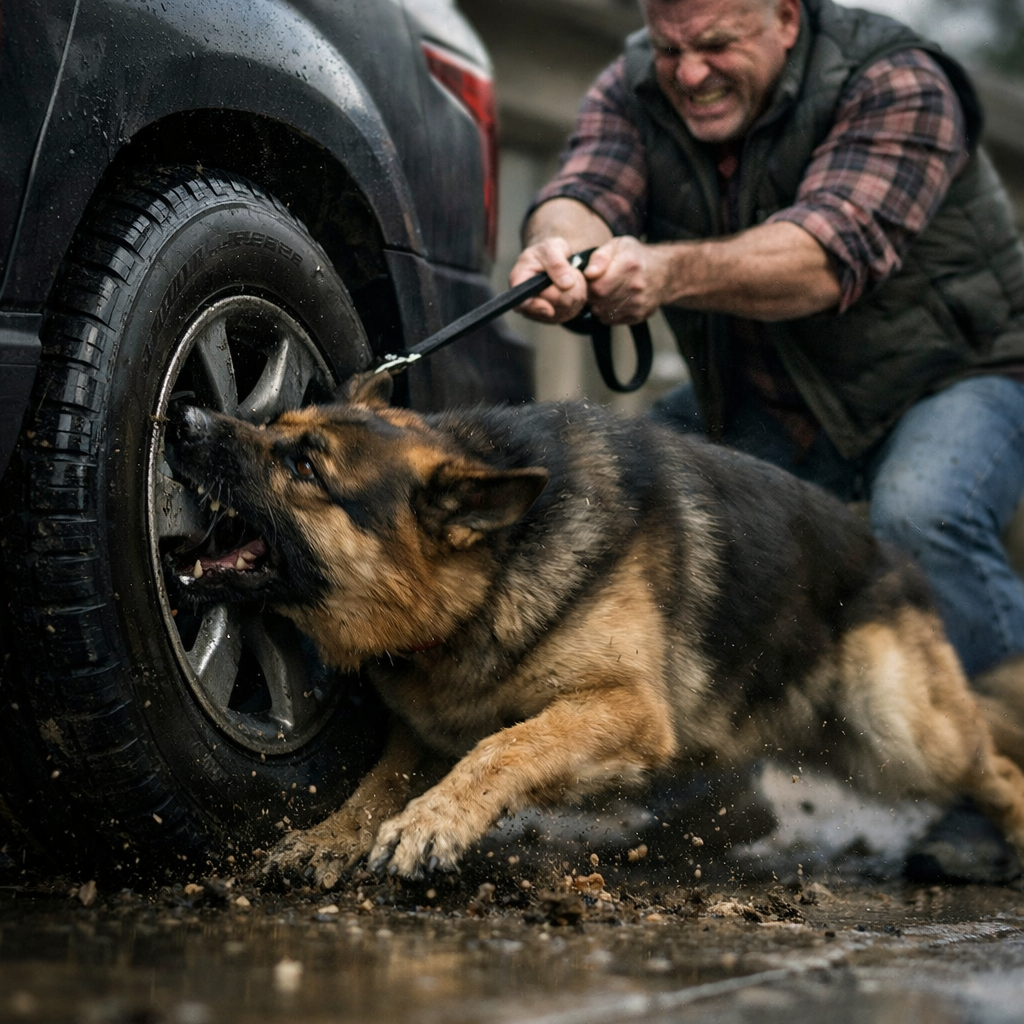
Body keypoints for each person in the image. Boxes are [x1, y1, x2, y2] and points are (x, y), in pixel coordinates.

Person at [511, 0, 1024, 882]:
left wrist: (664, 271)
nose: (690, 71)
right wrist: (557, 251)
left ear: (787, 18)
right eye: (672, 46)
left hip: (954, 374)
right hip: (780, 399)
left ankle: (986, 791)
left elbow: (825, 256)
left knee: (921, 511)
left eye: (716, 45)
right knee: (621, 492)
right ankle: (704, 782)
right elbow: (584, 193)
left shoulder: (897, 79)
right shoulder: (633, 82)